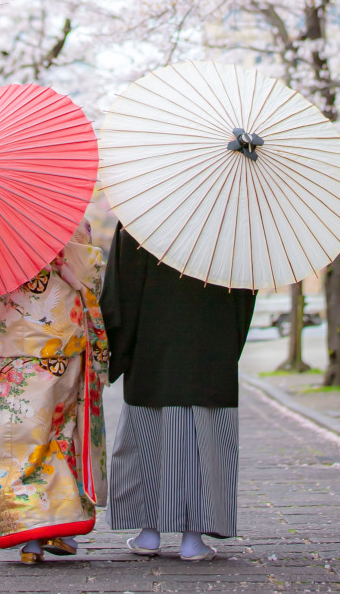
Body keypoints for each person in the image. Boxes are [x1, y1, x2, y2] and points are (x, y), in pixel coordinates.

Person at [0, 221, 108, 564]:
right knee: (59, 432)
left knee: (14, 438)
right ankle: (60, 527)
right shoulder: (66, 219)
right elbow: (89, 275)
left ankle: (29, 537)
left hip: (10, 349)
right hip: (60, 343)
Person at [100, 222, 256, 561]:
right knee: (205, 446)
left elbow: (117, 299)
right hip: (209, 356)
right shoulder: (234, 226)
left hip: (151, 353)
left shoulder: (139, 221)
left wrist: (121, 354)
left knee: (148, 440)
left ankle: (148, 533)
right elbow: (245, 297)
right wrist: (228, 350)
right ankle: (192, 537)